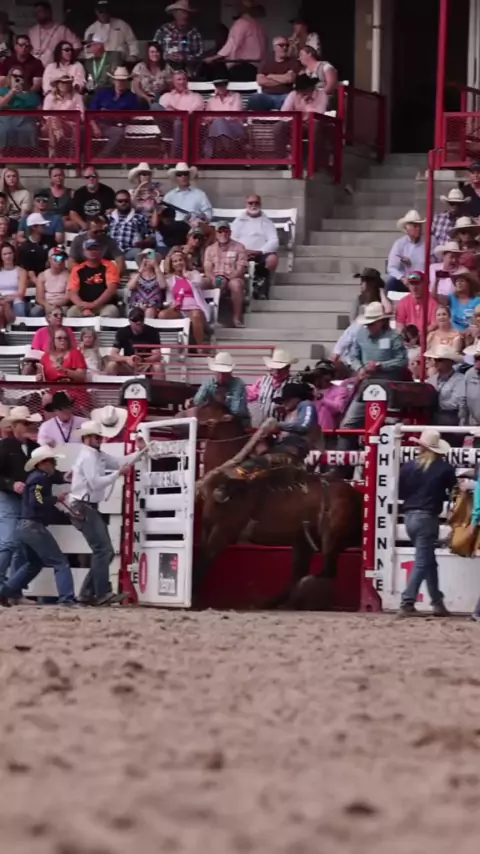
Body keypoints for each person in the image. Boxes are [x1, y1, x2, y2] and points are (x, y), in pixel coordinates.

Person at [68, 418, 140, 606]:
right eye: (96, 437)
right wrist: (118, 474)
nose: (100, 440)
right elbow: (96, 483)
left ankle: (88, 593)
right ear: (87, 438)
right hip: (84, 506)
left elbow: (119, 462)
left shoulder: (93, 455)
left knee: (103, 551)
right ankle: (100, 593)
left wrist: (141, 452)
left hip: (84, 506)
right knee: (104, 550)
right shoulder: (90, 457)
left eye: (99, 437)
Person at [0, 445, 75, 608]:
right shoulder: (39, 480)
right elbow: (37, 501)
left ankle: (5, 592)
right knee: (60, 562)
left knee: (33, 563)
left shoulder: (36, 478)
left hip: (25, 526)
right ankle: (67, 598)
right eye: (52, 462)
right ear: (43, 463)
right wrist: (55, 499)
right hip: (34, 526)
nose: (54, 465)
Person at [397, 429, 456, 617]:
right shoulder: (444, 468)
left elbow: (401, 491)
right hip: (427, 518)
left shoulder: (408, 467)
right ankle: (408, 601)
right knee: (423, 562)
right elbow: (453, 490)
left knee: (428, 561)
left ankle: (437, 602)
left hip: (409, 517)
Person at [338, 302, 408, 448]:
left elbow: (402, 361)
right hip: (366, 384)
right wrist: (360, 368)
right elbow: (353, 356)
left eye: (372, 324)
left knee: (388, 426)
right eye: (368, 324)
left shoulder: (394, 337)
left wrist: (380, 365)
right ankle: (346, 459)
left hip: (389, 387)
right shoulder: (360, 335)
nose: (369, 327)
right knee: (347, 425)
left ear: (381, 322)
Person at [0, 405, 42, 589]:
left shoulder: (34, 447)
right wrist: (11, 484)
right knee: (10, 542)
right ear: (15, 425)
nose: (28, 426)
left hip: (25, 500)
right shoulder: (5, 446)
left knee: (19, 544)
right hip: (9, 497)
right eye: (25, 423)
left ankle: (11, 590)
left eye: (28, 423)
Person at [204, 0, 267, 81]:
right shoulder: (260, 26)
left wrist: (214, 58)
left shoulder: (241, 23)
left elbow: (233, 44)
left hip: (242, 67)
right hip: (258, 67)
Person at [88, 67, 143, 157]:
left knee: (119, 133)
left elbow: (130, 117)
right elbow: (91, 112)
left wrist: (112, 115)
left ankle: (100, 159)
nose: (120, 83)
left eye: (123, 81)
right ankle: (72, 161)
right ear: (114, 81)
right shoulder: (103, 93)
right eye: (118, 80)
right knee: (80, 130)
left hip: (114, 127)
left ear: (127, 82)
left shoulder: (132, 98)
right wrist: (94, 127)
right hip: (97, 124)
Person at [231, 196, 279, 298]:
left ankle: (262, 287)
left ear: (260, 204)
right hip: (242, 253)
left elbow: (274, 240)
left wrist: (261, 251)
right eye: (251, 203)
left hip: (261, 253)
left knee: (273, 259)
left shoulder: (267, 222)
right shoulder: (238, 222)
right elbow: (232, 239)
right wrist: (243, 251)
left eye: (256, 203)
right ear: (246, 204)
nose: (254, 205)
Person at [160, 247, 209, 344]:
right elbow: (170, 299)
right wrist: (172, 304)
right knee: (162, 315)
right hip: (179, 310)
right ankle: (174, 343)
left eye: (180, 260)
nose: (178, 263)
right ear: (172, 265)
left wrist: (187, 275)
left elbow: (200, 283)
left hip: (195, 309)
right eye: (175, 261)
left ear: (185, 261)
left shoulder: (194, 274)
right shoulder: (170, 280)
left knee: (195, 315)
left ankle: (200, 346)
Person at [203, 221, 247, 328]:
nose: (223, 233)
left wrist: (227, 279)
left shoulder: (239, 247)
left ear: (230, 232)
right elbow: (207, 268)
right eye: (220, 231)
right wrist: (214, 279)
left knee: (236, 284)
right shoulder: (210, 249)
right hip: (215, 277)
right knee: (201, 283)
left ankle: (236, 318)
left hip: (232, 277)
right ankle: (203, 317)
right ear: (216, 233)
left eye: (226, 231)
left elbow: (240, 268)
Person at [193, 351, 250, 427]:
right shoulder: (209, 383)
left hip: (238, 422)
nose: (221, 377)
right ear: (215, 372)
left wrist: (225, 416)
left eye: (224, 374)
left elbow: (237, 411)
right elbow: (197, 401)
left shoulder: (238, 385)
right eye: (219, 373)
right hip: (214, 418)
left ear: (230, 373)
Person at [67, 239, 120, 318]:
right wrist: (83, 307)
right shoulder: (77, 269)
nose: (93, 251)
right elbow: (72, 292)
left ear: (101, 251)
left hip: (105, 305)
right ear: (84, 252)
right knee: (72, 313)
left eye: (95, 249)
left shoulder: (110, 266)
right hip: (83, 306)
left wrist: (94, 304)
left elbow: (111, 289)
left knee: (110, 312)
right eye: (89, 249)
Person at [106, 306, 164, 377]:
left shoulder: (152, 332)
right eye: (135, 320)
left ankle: (158, 384)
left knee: (158, 367)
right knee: (111, 365)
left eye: (141, 319)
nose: (138, 322)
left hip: (145, 364)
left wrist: (143, 360)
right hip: (128, 364)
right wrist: (127, 359)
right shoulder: (122, 332)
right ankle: (110, 384)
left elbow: (157, 355)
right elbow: (113, 354)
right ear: (130, 321)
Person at [424, 344, 466, 440]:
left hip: (451, 418)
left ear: (449, 362)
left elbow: (458, 402)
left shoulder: (460, 380)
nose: (436, 363)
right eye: (435, 360)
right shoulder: (432, 379)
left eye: (440, 360)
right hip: (433, 416)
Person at [267, 381, 318, 460]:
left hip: (295, 449)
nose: (284, 403)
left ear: (296, 398)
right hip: (285, 448)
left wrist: (278, 425)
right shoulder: (290, 411)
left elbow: (303, 426)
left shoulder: (306, 404)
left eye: (286, 400)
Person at [248, 36, 300, 111]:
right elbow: (261, 81)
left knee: (293, 100)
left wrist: (270, 76)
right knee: (255, 99)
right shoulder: (266, 62)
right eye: (281, 45)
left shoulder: (293, 62)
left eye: (287, 45)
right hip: (267, 96)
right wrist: (282, 80)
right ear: (274, 47)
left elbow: (289, 79)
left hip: (285, 96)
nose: (285, 48)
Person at [300, 359, 353, 431]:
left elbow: (338, 409)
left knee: (324, 409)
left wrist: (321, 397)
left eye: (324, 373)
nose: (321, 377)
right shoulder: (310, 389)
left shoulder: (340, 390)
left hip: (327, 430)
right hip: (308, 430)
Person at [247, 347, 298, 422]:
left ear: (288, 368)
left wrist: (287, 408)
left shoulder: (295, 384)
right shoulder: (263, 380)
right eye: (275, 368)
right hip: (264, 423)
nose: (277, 371)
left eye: (280, 369)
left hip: (284, 425)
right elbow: (250, 394)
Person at [203, 72, 246, 159]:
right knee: (218, 124)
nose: (220, 87)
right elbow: (207, 118)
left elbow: (235, 114)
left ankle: (216, 155)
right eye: (217, 85)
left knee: (219, 122)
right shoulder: (211, 100)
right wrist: (220, 118)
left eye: (222, 84)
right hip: (215, 129)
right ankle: (229, 152)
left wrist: (217, 118)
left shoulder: (236, 96)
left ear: (226, 84)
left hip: (234, 127)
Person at [153, 0, 203, 72]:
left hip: (186, 72)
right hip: (165, 72)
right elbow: (152, 51)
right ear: (174, 14)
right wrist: (166, 56)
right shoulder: (163, 30)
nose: (185, 16)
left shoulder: (194, 33)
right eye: (182, 13)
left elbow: (200, 57)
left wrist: (185, 58)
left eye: (187, 13)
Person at [43, 73, 85, 157]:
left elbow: (81, 115)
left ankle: (53, 155)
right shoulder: (50, 97)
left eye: (67, 83)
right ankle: (60, 141)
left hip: (70, 124)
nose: (65, 85)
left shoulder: (77, 97)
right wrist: (59, 118)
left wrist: (64, 118)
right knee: (53, 120)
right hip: (50, 124)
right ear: (57, 84)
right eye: (62, 82)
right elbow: (45, 114)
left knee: (54, 124)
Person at [0, 66, 41, 151]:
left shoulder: (30, 95)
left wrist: (23, 93)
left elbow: (37, 110)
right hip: (6, 120)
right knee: (5, 129)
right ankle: (4, 154)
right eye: (14, 76)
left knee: (29, 129)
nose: (17, 78)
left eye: (20, 76)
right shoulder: (2, 91)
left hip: (25, 120)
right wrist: (12, 92)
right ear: (9, 77)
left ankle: (26, 153)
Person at [29, 1, 81, 67]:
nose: (36, 14)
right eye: (35, 12)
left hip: (54, 68)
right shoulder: (32, 31)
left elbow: (77, 45)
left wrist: (66, 62)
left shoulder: (62, 29)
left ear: (48, 12)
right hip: (35, 68)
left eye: (39, 11)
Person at [386, 210, 426, 294]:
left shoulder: (429, 242)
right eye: (415, 226)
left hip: (424, 279)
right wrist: (402, 278)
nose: (418, 228)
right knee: (391, 283)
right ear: (406, 228)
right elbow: (391, 267)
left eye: (419, 226)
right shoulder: (399, 244)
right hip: (406, 280)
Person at [395, 271, 439, 345]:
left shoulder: (433, 303)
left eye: (417, 284)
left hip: (426, 341)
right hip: (407, 340)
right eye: (412, 284)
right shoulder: (403, 302)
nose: (414, 288)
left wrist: (418, 336)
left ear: (425, 284)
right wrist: (405, 336)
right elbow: (399, 323)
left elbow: (434, 325)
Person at [433, 266, 480, 332]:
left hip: (471, 334)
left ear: (469, 284)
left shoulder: (477, 300)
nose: (458, 283)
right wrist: (437, 281)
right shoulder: (452, 298)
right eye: (457, 281)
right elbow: (435, 296)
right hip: (453, 334)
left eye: (461, 281)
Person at [107, 191, 152, 260]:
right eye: (120, 201)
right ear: (115, 202)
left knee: (149, 253)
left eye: (126, 201)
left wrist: (143, 243)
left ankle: (149, 267)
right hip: (111, 252)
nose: (123, 203)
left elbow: (150, 236)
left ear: (130, 201)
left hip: (129, 251)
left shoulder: (139, 217)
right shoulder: (109, 217)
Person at [31, 245, 70, 317]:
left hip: (62, 305)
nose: (60, 260)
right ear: (49, 259)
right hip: (45, 304)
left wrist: (56, 306)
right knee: (35, 312)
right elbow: (39, 298)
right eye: (56, 258)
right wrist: (47, 306)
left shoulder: (68, 275)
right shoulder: (42, 275)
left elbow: (68, 297)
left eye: (62, 258)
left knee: (67, 313)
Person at [17, 212, 55, 284]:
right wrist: (39, 284)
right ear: (34, 227)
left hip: (53, 275)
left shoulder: (50, 240)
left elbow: (57, 257)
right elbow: (29, 271)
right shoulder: (25, 247)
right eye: (42, 225)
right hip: (35, 281)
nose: (45, 226)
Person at [127, 249, 165, 317]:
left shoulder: (159, 275)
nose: (148, 260)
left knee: (150, 311)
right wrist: (141, 269)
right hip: (137, 306)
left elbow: (163, 286)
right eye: (145, 258)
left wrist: (156, 266)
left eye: (150, 257)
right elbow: (130, 287)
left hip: (154, 308)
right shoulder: (135, 275)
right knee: (137, 312)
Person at [132, 41, 171, 105]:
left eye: (157, 52)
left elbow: (171, 86)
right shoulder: (140, 67)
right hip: (143, 98)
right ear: (147, 54)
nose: (155, 54)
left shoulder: (166, 67)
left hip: (162, 98)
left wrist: (164, 87)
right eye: (152, 52)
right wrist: (147, 98)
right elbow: (136, 88)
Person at [36, 165, 75, 230]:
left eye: (60, 175)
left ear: (64, 176)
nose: (58, 177)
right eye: (55, 176)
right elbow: (37, 210)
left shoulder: (71, 193)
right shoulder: (44, 192)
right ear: (50, 177)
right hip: (47, 221)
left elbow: (74, 213)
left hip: (64, 223)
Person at [431, 188, 468, 253]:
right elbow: (430, 239)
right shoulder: (438, 218)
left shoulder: (465, 222)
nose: (454, 206)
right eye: (452, 203)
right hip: (436, 255)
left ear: (462, 205)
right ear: (448, 204)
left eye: (458, 204)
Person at [0, 241, 28, 317]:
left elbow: (21, 293)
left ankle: (19, 324)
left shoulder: (21, 271)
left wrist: (7, 300)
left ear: (14, 254)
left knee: (19, 306)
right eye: (5, 254)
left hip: (15, 300)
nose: (8, 256)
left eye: (10, 253)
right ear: (1, 256)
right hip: (1, 300)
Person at [462, 342, 480, 427]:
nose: (477, 363)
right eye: (476, 358)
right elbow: (464, 399)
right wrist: (463, 419)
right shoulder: (470, 374)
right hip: (474, 424)